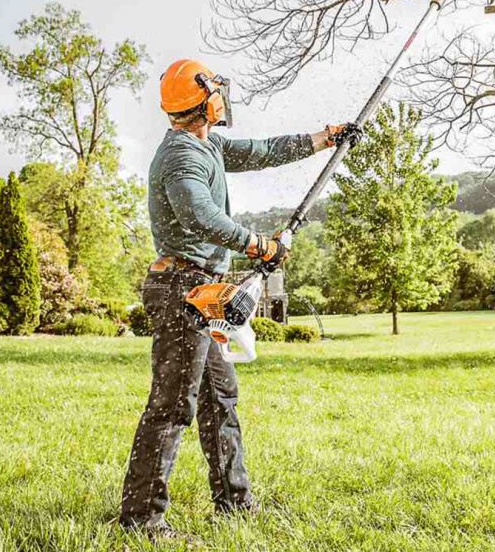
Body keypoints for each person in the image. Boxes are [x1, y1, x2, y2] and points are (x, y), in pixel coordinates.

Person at [119, 58, 355, 540]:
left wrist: (324, 137)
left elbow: (265, 149)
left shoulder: (210, 144)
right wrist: (257, 244)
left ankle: (234, 501)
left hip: (202, 292)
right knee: (171, 405)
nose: (224, 97)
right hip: (183, 291)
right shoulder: (181, 157)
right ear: (204, 100)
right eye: (217, 91)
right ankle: (141, 518)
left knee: (219, 398)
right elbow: (198, 215)